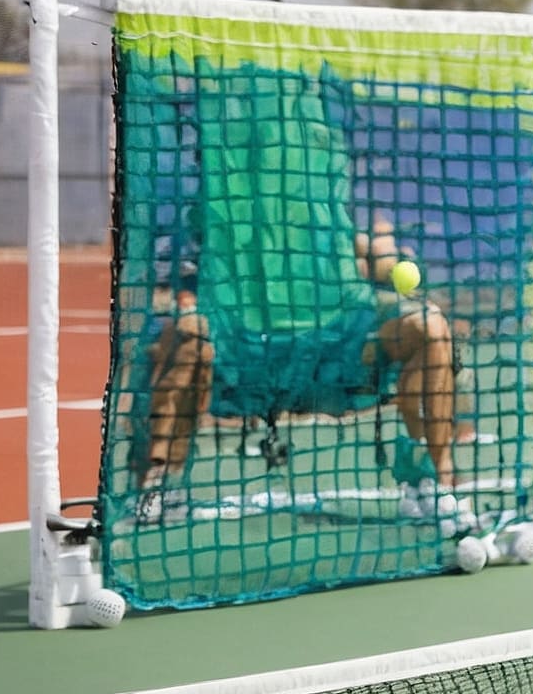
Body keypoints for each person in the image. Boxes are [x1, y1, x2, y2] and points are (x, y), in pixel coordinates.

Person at [132, 218, 473, 531]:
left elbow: (379, 259)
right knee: (188, 331)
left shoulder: (319, 209)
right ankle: (163, 482)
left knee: (429, 326)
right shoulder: (217, 215)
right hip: (247, 346)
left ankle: (431, 484)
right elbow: (177, 290)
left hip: (338, 343)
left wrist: (383, 256)